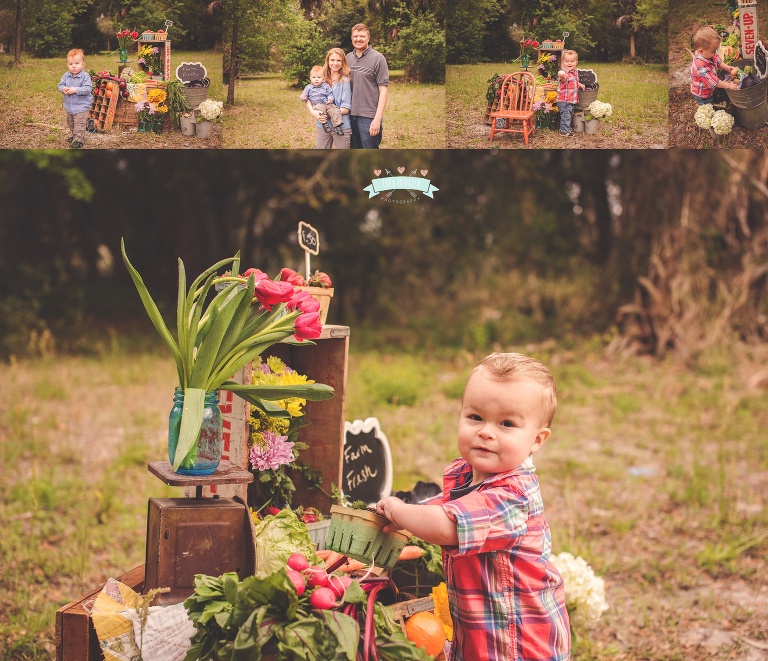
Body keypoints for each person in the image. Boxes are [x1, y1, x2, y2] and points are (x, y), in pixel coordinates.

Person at [376, 353, 570, 661]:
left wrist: (401, 510)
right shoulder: (468, 473)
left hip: (516, 643)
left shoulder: (513, 494)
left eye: (507, 423)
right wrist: (408, 517)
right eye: (475, 417)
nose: (486, 431)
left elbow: (448, 525)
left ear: (537, 439)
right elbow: (446, 505)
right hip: (479, 630)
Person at [346, 23, 389, 149]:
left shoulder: (378, 59)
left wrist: (377, 119)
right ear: (351, 38)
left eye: (362, 36)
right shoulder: (347, 58)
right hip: (349, 116)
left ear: (368, 38)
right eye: (355, 36)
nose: (358, 39)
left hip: (369, 117)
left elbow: (383, 92)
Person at [308, 49, 352, 149]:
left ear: (343, 62)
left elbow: (346, 108)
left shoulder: (344, 81)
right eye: (332, 60)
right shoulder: (320, 79)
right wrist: (314, 113)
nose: (335, 63)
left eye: (338, 60)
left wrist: (326, 112)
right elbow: (309, 99)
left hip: (342, 125)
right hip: (323, 125)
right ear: (327, 61)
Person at [690, 26, 739, 106]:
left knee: (713, 99)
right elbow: (714, 82)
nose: (715, 54)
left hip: (709, 89)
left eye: (716, 51)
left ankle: (714, 102)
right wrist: (729, 85)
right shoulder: (701, 67)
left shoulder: (709, 54)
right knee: (708, 106)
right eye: (713, 52)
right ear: (701, 51)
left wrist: (728, 68)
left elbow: (718, 62)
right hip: (703, 94)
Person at [57, 48, 93, 149]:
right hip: (70, 106)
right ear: (67, 65)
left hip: (81, 106)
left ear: (83, 64)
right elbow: (60, 85)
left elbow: (87, 89)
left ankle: (79, 140)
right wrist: (63, 89)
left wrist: (75, 90)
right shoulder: (66, 76)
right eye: (70, 64)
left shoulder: (85, 77)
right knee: (70, 122)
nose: (73, 66)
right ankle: (74, 135)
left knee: (79, 123)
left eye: (77, 63)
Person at [301, 65, 344, 136]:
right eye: (314, 77)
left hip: (327, 103)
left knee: (335, 110)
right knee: (320, 111)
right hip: (317, 104)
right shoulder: (308, 87)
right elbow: (304, 97)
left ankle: (337, 126)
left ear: (323, 78)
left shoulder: (326, 86)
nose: (316, 79)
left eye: (319, 77)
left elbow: (330, 94)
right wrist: (303, 97)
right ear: (310, 78)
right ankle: (325, 124)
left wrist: (330, 98)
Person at [556, 49, 585, 137]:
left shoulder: (575, 72)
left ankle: (567, 128)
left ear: (576, 62)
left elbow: (573, 81)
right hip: (564, 100)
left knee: (569, 114)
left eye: (572, 61)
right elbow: (564, 79)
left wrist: (580, 84)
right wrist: (561, 75)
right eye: (567, 61)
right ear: (562, 62)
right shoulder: (564, 73)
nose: (569, 63)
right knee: (566, 116)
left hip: (572, 100)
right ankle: (564, 131)